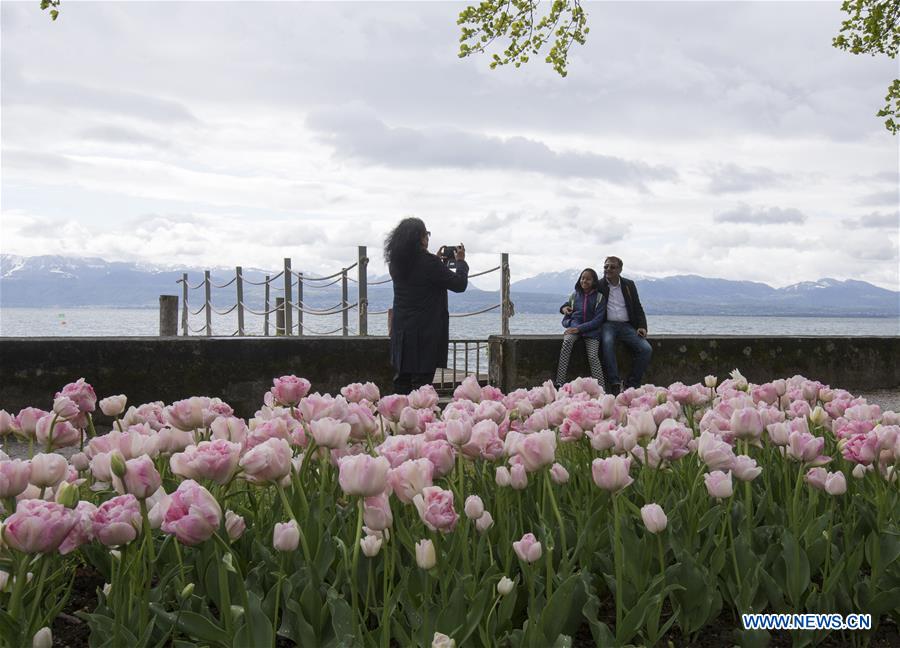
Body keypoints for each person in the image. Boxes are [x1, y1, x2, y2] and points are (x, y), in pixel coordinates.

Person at [384, 217, 468, 394]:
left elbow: (418, 279)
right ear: (420, 238)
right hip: (425, 335)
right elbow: (459, 285)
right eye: (426, 234)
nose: (428, 238)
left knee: (402, 383)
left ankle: (398, 419)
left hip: (402, 333)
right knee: (422, 388)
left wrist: (436, 262)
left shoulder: (396, 263)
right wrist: (460, 262)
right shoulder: (430, 263)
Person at [555, 268, 606, 388]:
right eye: (583, 278)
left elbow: (598, 321)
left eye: (588, 279)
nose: (585, 281)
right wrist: (570, 323)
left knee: (593, 356)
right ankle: (559, 382)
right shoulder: (574, 296)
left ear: (594, 281)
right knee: (566, 344)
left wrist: (579, 329)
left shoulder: (599, 298)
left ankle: (601, 388)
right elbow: (566, 316)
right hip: (573, 329)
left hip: (592, 332)